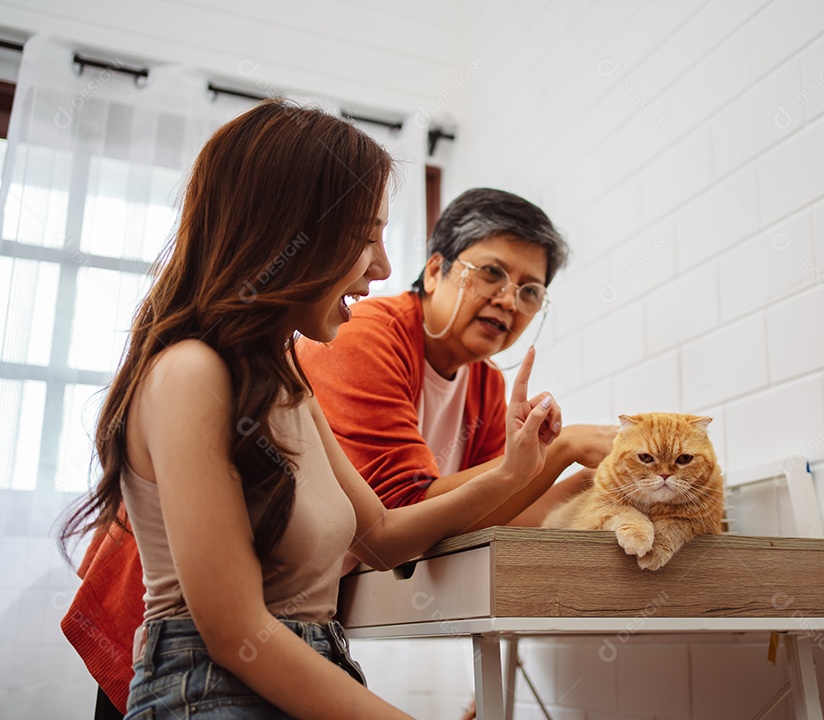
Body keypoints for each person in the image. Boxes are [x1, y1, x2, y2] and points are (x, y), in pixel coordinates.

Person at [59, 99, 562, 720]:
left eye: (531, 291)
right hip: (213, 688)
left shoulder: (289, 384)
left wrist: (515, 472)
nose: (381, 266)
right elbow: (237, 634)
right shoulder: (192, 374)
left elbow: (379, 536)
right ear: (288, 236)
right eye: (364, 238)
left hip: (299, 670)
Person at [297, 188, 615, 529]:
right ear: (434, 271)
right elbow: (400, 511)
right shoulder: (363, 335)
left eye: (530, 291)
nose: (509, 302)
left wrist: (603, 477)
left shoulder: (486, 381)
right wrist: (563, 447)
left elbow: (488, 515)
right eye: (492, 273)